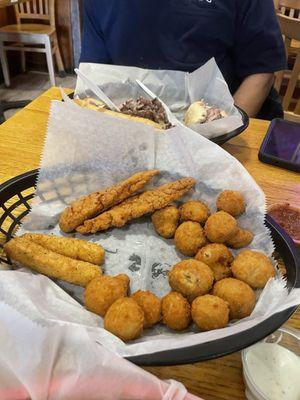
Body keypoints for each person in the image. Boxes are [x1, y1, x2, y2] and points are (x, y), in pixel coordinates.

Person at [80, 0, 286, 120]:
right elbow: (95, 78)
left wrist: (225, 131)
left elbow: (262, 70)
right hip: (131, 131)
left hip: (219, 130)